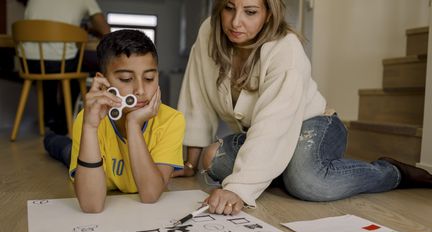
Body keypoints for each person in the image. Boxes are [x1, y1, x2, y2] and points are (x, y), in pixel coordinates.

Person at [173, 0, 432, 215]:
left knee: (308, 183)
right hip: (262, 132)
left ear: (268, 13)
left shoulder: (286, 49)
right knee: (211, 160)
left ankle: (392, 172)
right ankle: (278, 168)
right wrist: (188, 163)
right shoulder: (210, 31)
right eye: (229, 8)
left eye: (250, 12)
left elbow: (274, 124)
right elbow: (196, 96)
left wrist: (239, 189)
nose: (235, 22)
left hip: (316, 124)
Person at [44, 29, 185, 213]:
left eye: (149, 78)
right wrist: (89, 127)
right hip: (88, 154)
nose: (140, 90)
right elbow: (91, 205)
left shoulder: (172, 120)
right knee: (63, 149)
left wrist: (133, 124)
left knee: (68, 150)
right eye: (126, 79)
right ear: (103, 82)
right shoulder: (87, 120)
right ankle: (50, 139)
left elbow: (150, 194)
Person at [22, 0, 110, 134]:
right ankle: (64, 118)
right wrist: (89, 30)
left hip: (29, 62)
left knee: (48, 68)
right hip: (61, 62)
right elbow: (105, 31)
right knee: (76, 69)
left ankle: (50, 115)